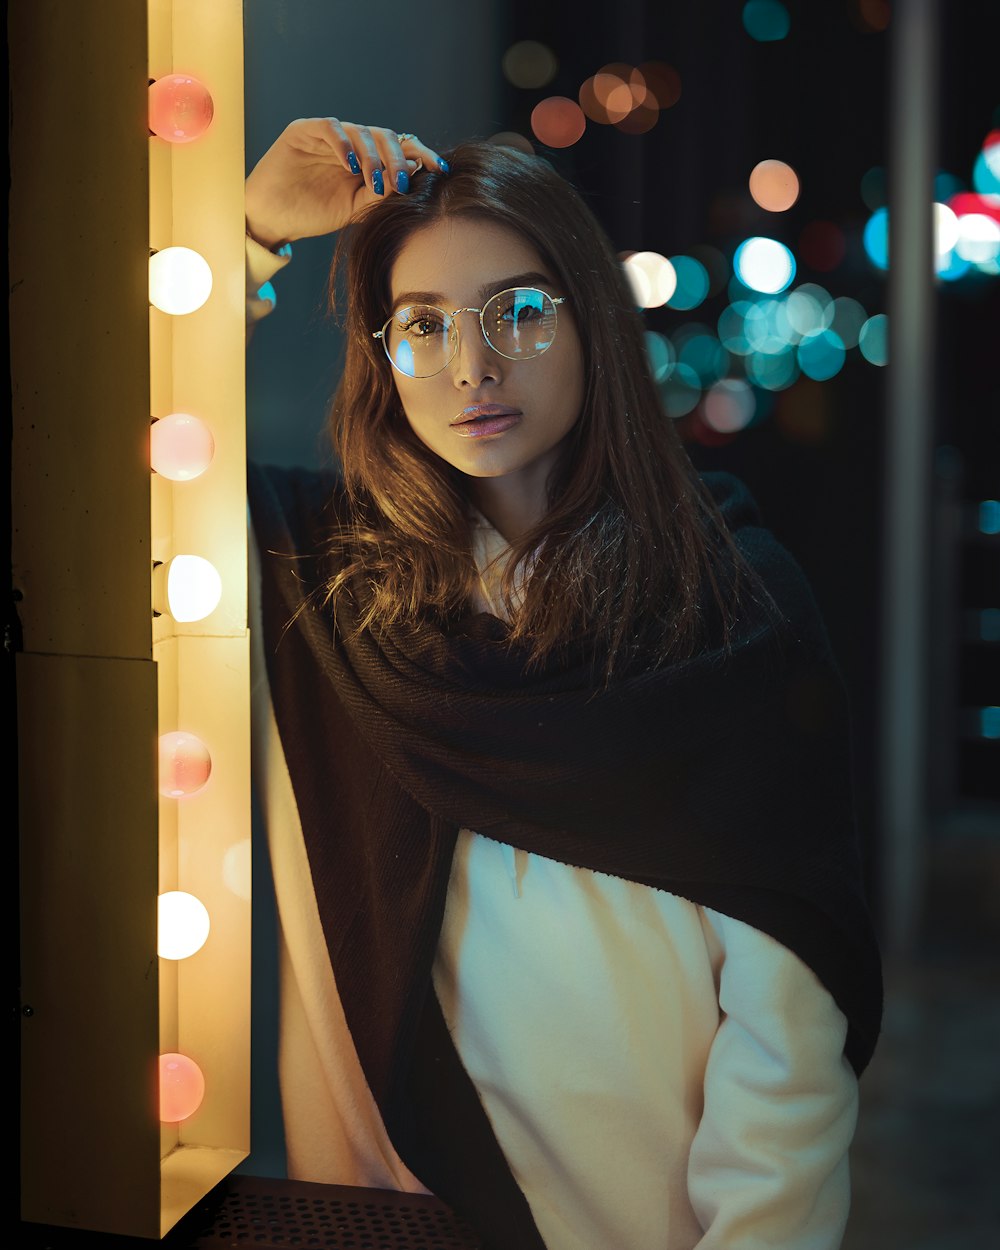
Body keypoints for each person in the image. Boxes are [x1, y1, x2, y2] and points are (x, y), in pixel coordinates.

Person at [244, 117, 882, 1250]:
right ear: (380, 358)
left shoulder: (727, 607)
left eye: (520, 312)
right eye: (422, 325)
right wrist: (242, 236)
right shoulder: (318, 586)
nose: (471, 367)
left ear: (592, 318)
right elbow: (89, 443)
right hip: (386, 1219)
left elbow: (785, 1032)